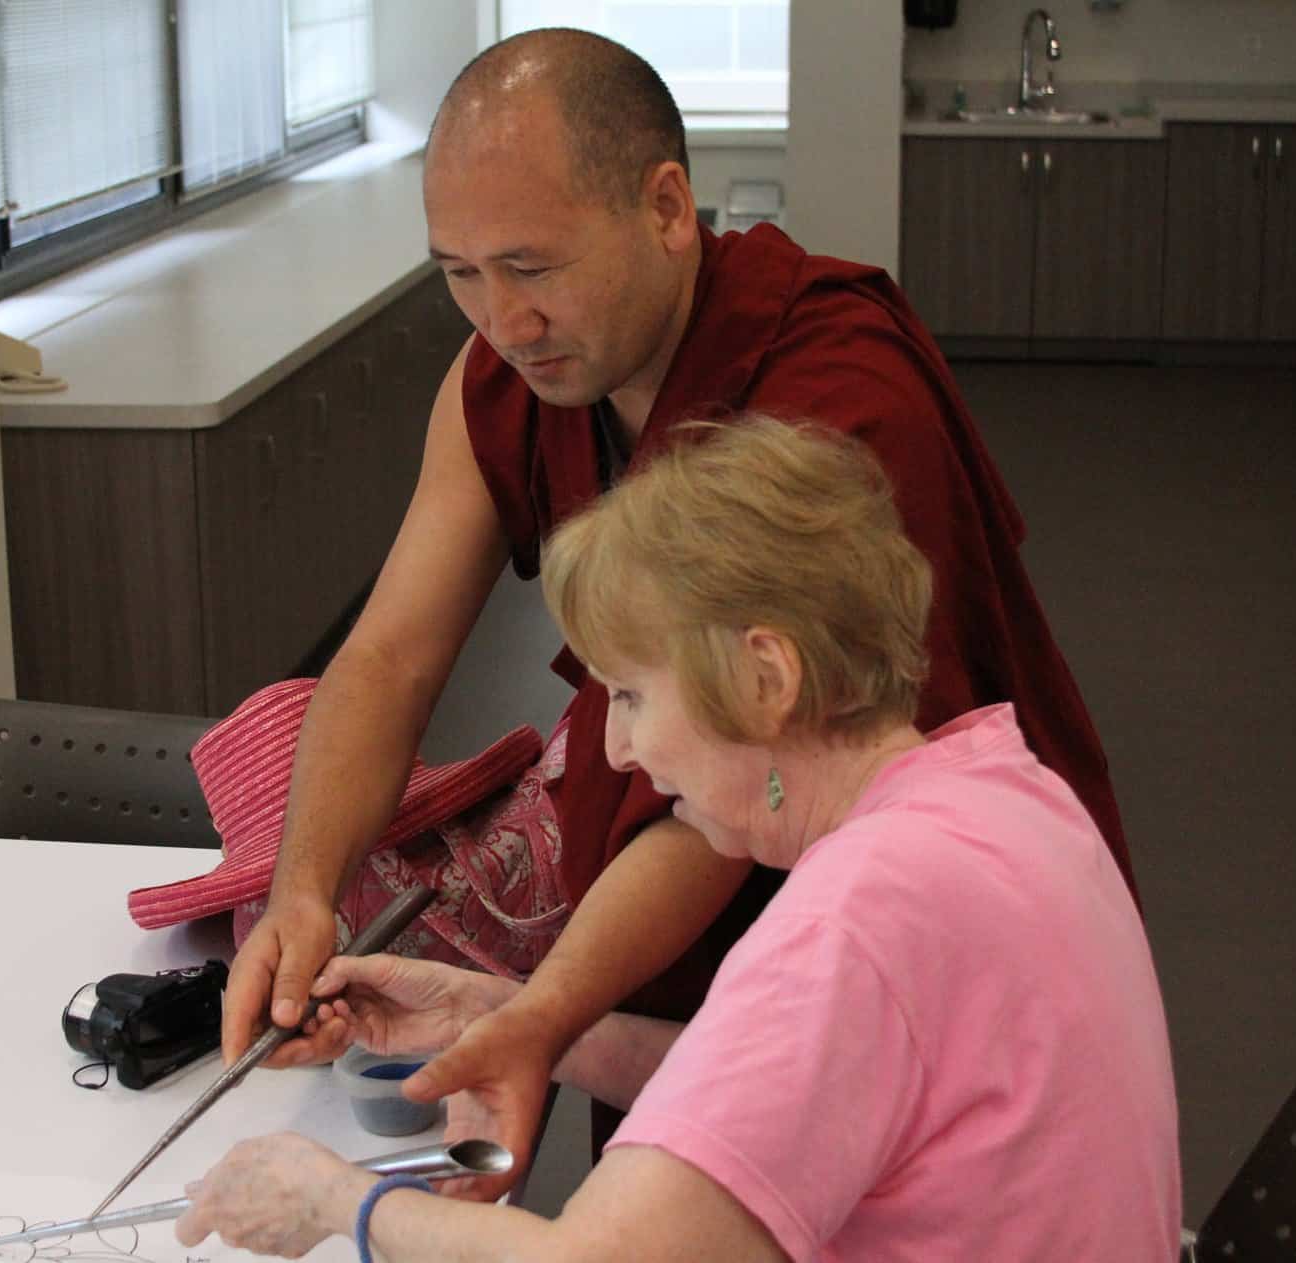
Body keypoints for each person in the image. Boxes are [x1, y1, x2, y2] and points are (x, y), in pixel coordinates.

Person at [221, 26, 1133, 1185]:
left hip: (890, 917)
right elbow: (391, 655)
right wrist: (305, 893)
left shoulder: (835, 403)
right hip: (699, 863)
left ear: (664, 208)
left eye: (532, 267)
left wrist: (540, 1016)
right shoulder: (506, 377)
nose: (501, 321)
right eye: (458, 274)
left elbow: (738, 800)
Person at [177, 416, 1181, 1261]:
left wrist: (336, 1203)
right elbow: (785, 1101)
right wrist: (511, 1017)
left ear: (764, 679)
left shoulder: (861, 915)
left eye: (630, 693)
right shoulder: (994, 788)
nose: (614, 747)